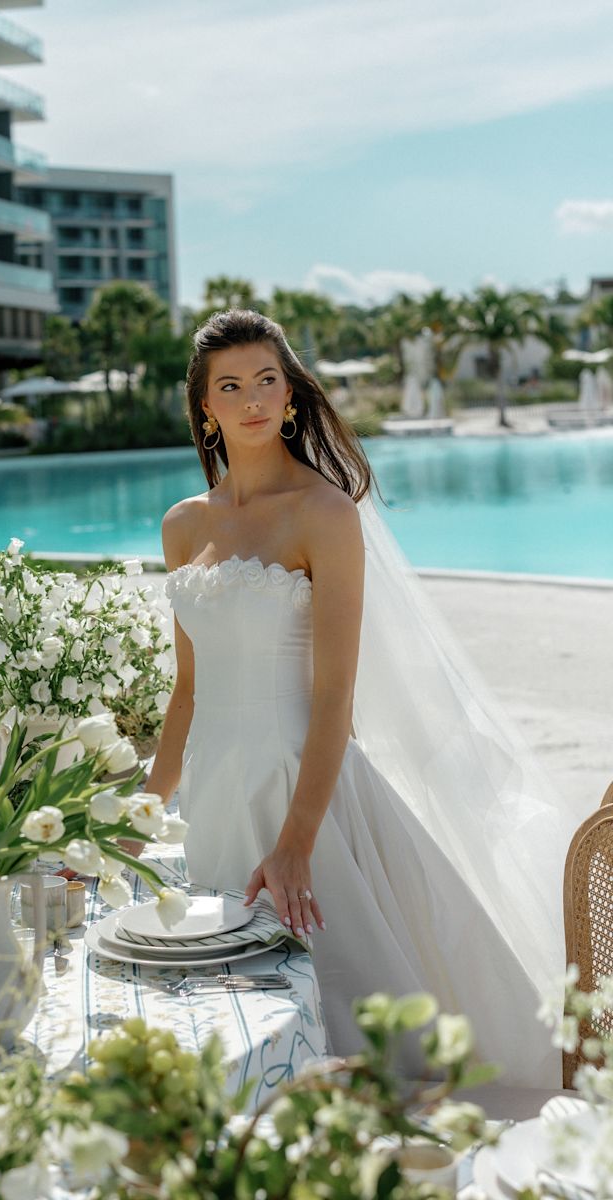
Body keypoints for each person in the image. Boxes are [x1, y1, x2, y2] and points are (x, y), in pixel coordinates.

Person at [142, 308, 587, 1087]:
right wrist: (140, 814)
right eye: (231, 386)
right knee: (227, 992)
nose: (253, 399)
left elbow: (335, 694)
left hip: (300, 788)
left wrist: (296, 840)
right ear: (205, 407)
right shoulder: (183, 526)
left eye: (267, 380)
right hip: (213, 791)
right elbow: (188, 691)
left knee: (342, 999)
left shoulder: (324, 512)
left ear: (290, 394)